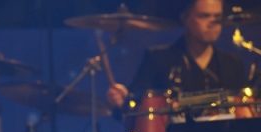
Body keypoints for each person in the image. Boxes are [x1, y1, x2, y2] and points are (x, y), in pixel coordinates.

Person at [106, 0, 247, 109]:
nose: (213, 23)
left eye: (217, 17)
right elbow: (135, 108)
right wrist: (123, 100)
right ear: (185, 18)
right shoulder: (158, 60)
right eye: (204, 16)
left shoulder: (232, 65)